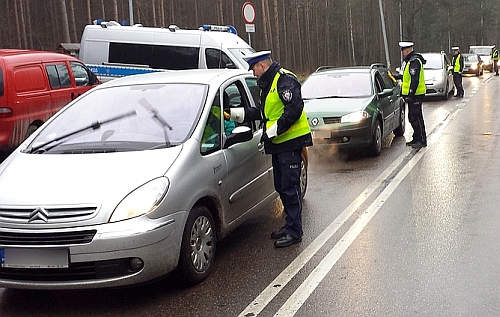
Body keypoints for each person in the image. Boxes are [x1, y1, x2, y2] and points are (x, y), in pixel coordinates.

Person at [228, 50, 313, 248]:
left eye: (254, 69)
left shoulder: (284, 80)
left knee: (291, 189)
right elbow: (264, 112)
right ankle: (289, 224)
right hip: (278, 145)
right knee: (281, 186)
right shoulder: (269, 84)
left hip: (290, 143)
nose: (253, 73)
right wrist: (234, 114)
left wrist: (274, 131)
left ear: (263, 66)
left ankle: (295, 231)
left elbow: (294, 109)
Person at [399, 41, 427, 149]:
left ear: (407, 50)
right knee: (412, 117)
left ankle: (421, 140)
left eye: (403, 52)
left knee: (416, 117)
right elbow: (408, 77)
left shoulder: (414, 61)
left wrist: (411, 93)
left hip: (416, 94)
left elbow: (414, 79)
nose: (403, 54)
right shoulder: (411, 60)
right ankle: (416, 138)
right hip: (414, 94)